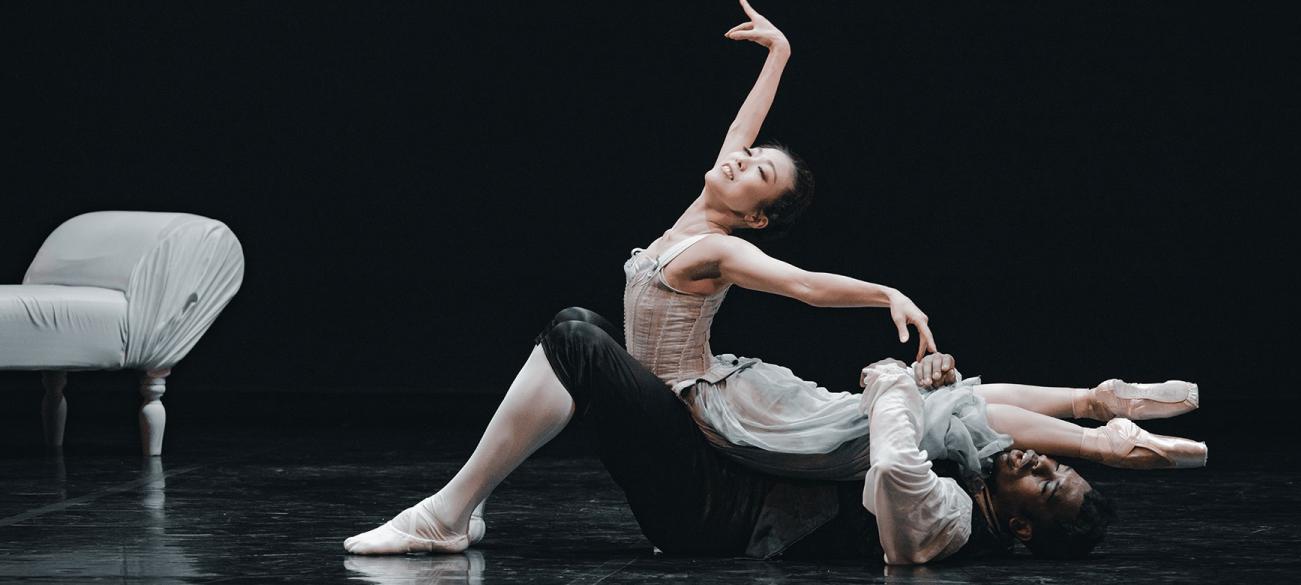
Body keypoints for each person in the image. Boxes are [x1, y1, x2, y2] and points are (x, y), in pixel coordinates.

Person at [617, 0, 1203, 480]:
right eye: (746, 159)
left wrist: (886, 292)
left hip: (712, 408)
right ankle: (1097, 402)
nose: (740, 161)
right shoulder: (709, 207)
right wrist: (779, 53)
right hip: (729, 390)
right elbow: (739, 130)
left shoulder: (722, 247)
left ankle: (1103, 439)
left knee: (933, 411)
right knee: (926, 407)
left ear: (757, 219)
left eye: (756, 172)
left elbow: (804, 286)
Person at [344, 308, 1175, 561]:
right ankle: (455, 513)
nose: (1036, 462)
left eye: (1048, 481)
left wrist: (893, 380)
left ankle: (448, 516)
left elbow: (891, 467)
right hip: (730, 472)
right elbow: (978, 401)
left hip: (716, 514)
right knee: (581, 332)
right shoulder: (979, 469)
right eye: (1056, 465)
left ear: (1021, 523)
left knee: (577, 341)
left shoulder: (950, 525)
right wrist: (1083, 405)